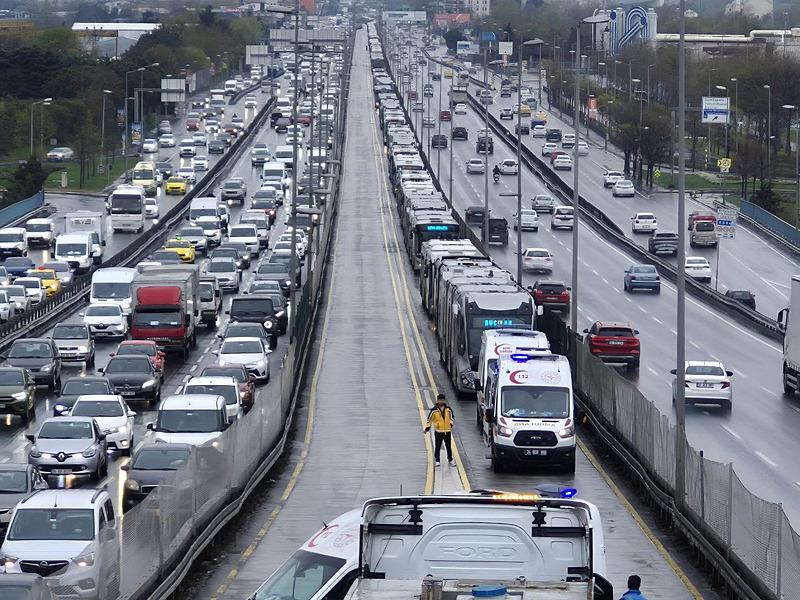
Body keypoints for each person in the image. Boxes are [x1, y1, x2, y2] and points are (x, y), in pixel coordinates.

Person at [424, 394, 455, 467]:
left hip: (447, 431)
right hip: (438, 432)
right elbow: (429, 420)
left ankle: (450, 459)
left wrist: (450, 424)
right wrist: (427, 429)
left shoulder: (448, 409)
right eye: (440, 400)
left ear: (444, 400)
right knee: (437, 446)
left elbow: (452, 417)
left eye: (442, 400)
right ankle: (437, 460)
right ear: (437, 401)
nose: (441, 401)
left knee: (448, 446)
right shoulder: (434, 410)